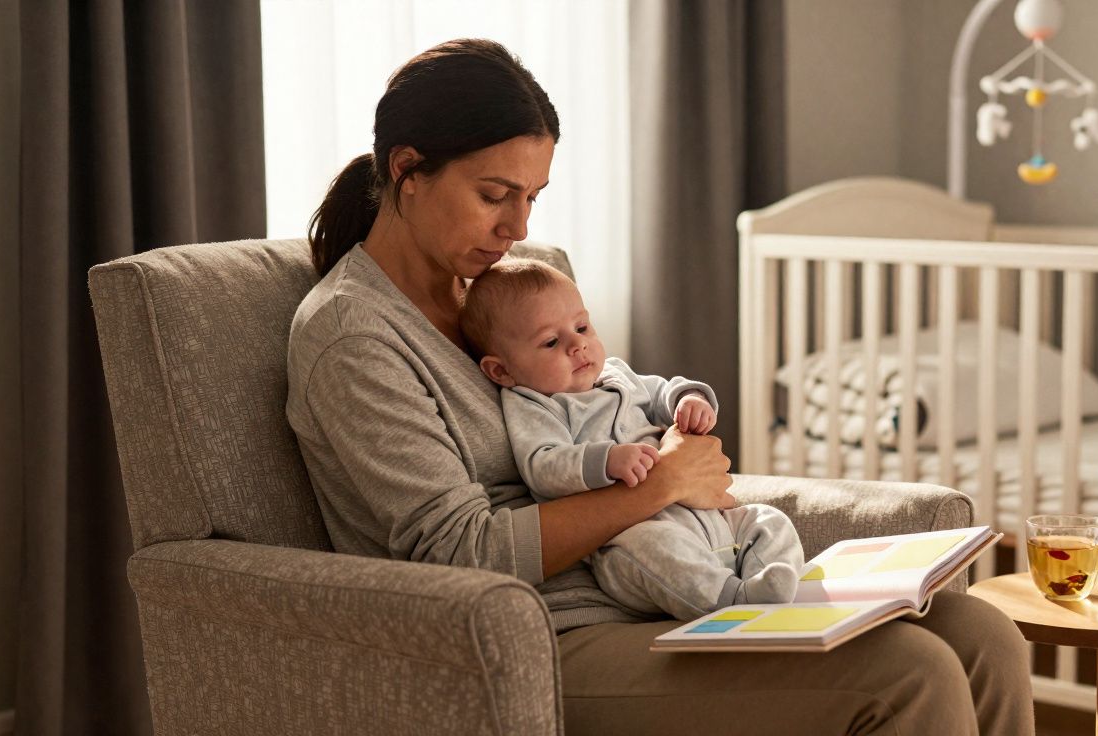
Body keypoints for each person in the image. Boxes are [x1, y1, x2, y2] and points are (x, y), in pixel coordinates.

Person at [286, 38, 1034, 734]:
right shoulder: (354, 337)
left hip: (659, 583)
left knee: (981, 634)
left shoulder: (510, 288)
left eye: (532, 197)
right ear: (408, 171)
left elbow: (615, 406)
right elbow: (458, 554)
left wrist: (674, 434)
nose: (516, 225)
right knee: (908, 673)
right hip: (539, 633)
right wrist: (659, 487)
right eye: (493, 194)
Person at [458, 258, 804, 621]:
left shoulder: (615, 374)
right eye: (550, 342)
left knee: (767, 519)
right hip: (630, 540)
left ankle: (767, 580)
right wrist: (605, 461)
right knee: (657, 548)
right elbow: (543, 464)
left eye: (582, 326)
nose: (578, 346)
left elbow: (661, 392)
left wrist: (689, 401)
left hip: (705, 520)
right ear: (502, 370)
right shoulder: (534, 404)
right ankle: (735, 601)